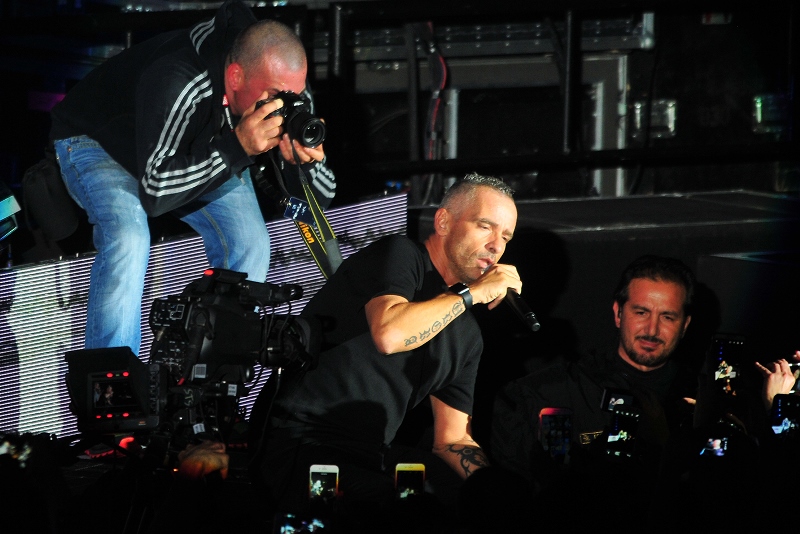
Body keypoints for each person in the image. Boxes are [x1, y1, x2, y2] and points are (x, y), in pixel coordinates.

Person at [49, 0, 336, 356]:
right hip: (101, 142)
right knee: (128, 236)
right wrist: (238, 147)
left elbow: (321, 201)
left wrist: (302, 164)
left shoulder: (286, 89)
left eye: (294, 94)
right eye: (275, 96)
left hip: (197, 146)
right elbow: (156, 193)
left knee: (250, 242)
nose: (283, 105)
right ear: (235, 76)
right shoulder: (180, 77)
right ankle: (114, 379)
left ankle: (219, 370)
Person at [250, 173, 522, 526]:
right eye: (485, 227)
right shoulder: (400, 255)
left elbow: (452, 438)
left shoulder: (467, 335)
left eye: (505, 237)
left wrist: (498, 493)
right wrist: (474, 293)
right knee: (404, 514)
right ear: (443, 221)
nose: (496, 246)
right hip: (303, 444)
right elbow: (389, 334)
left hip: (369, 457)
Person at [490, 254, 698, 525]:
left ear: (685, 325)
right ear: (618, 313)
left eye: (667, 317)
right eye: (641, 312)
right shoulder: (549, 392)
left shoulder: (702, 398)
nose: (652, 329)